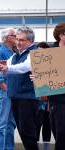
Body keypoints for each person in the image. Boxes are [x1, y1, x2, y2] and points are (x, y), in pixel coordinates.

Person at [0, 26, 39, 150]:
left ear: (30, 41)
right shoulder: (15, 55)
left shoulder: (34, 53)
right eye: (17, 39)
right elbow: (2, 71)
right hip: (15, 97)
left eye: (22, 40)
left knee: (28, 133)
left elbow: (24, 67)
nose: (18, 43)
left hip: (28, 99)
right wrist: (2, 70)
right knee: (23, 132)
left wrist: (7, 68)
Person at [0, 28, 16, 150]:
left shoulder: (14, 52)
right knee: (1, 123)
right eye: (13, 35)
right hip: (5, 92)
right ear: (6, 38)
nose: (16, 36)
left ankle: (8, 147)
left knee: (11, 123)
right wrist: (5, 88)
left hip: (14, 92)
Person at [47, 22, 65, 150]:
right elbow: (43, 73)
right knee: (59, 131)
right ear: (61, 35)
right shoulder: (49, 53)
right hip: (57, 99)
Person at [36, 42, 51, 150]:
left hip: (48, 101)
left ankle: (46, 147)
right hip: (35, 101)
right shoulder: (32, 64)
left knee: (47, 125)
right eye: (38, 51)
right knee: (36, 125)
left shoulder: (51, 64)